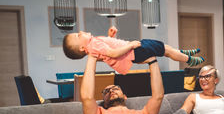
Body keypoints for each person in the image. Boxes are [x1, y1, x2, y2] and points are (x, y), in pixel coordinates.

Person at [63, 26, 204, 74]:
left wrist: (111, 36)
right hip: (134, 51)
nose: (80, 31)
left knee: (165, 48)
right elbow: (112, 53)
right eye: (77, 35)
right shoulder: (93, 45)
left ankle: (183, 53)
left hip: (133, 52)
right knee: (164, 49)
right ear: (82, 47)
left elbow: (109, 50)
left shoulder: (93, 47)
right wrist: (130, 45)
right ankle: (189, 60)